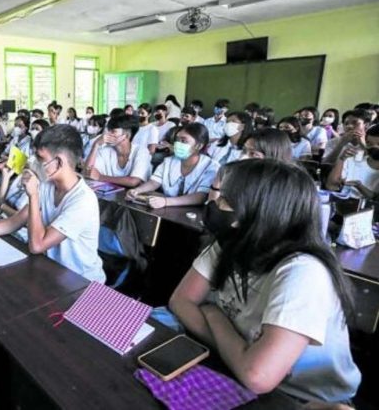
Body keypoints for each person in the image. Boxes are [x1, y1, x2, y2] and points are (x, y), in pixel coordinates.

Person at [168, 159, 360, 402]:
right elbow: (181, 301)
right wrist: (239, 353)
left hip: (301, 399)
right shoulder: (231, 242)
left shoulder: (304, 273)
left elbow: (258, 376)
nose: (213, 204)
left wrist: (214, 315)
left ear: (261, 209)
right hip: (231, 366)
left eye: (225, 198)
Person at [0, 125, 106, 283]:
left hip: (81, 281)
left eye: (41, 159)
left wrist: (33, 195)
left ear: (59, 162)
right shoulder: (48, 186)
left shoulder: (83, 200)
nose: (35, 163)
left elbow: (37, 245)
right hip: (52, 271)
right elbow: (14, 222)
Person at [127, 123, 219, 208]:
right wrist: (137, 190)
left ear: (198, 146)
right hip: (169, 209)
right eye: (177, 140)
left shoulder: (211, 167)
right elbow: (154, 182)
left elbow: (201, 196)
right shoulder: (169, 161)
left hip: (194, 213)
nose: (178, 144)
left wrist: (166, 202)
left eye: (183, 141)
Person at [85, 115, 151, 188]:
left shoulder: (141, 151)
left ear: (126, 135)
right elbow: (88, 172)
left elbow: (133, 181)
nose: (107, 134)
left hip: (132, 196)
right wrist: (96, 145)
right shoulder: (105, 150)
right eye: (108, 130)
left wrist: (100, 177)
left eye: (113, 131)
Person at [326, 124, 379, 200]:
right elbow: (331, 186)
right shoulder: (352, 160)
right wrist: (342, 159)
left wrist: (359, 186)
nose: (374, 147)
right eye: (369, 143)